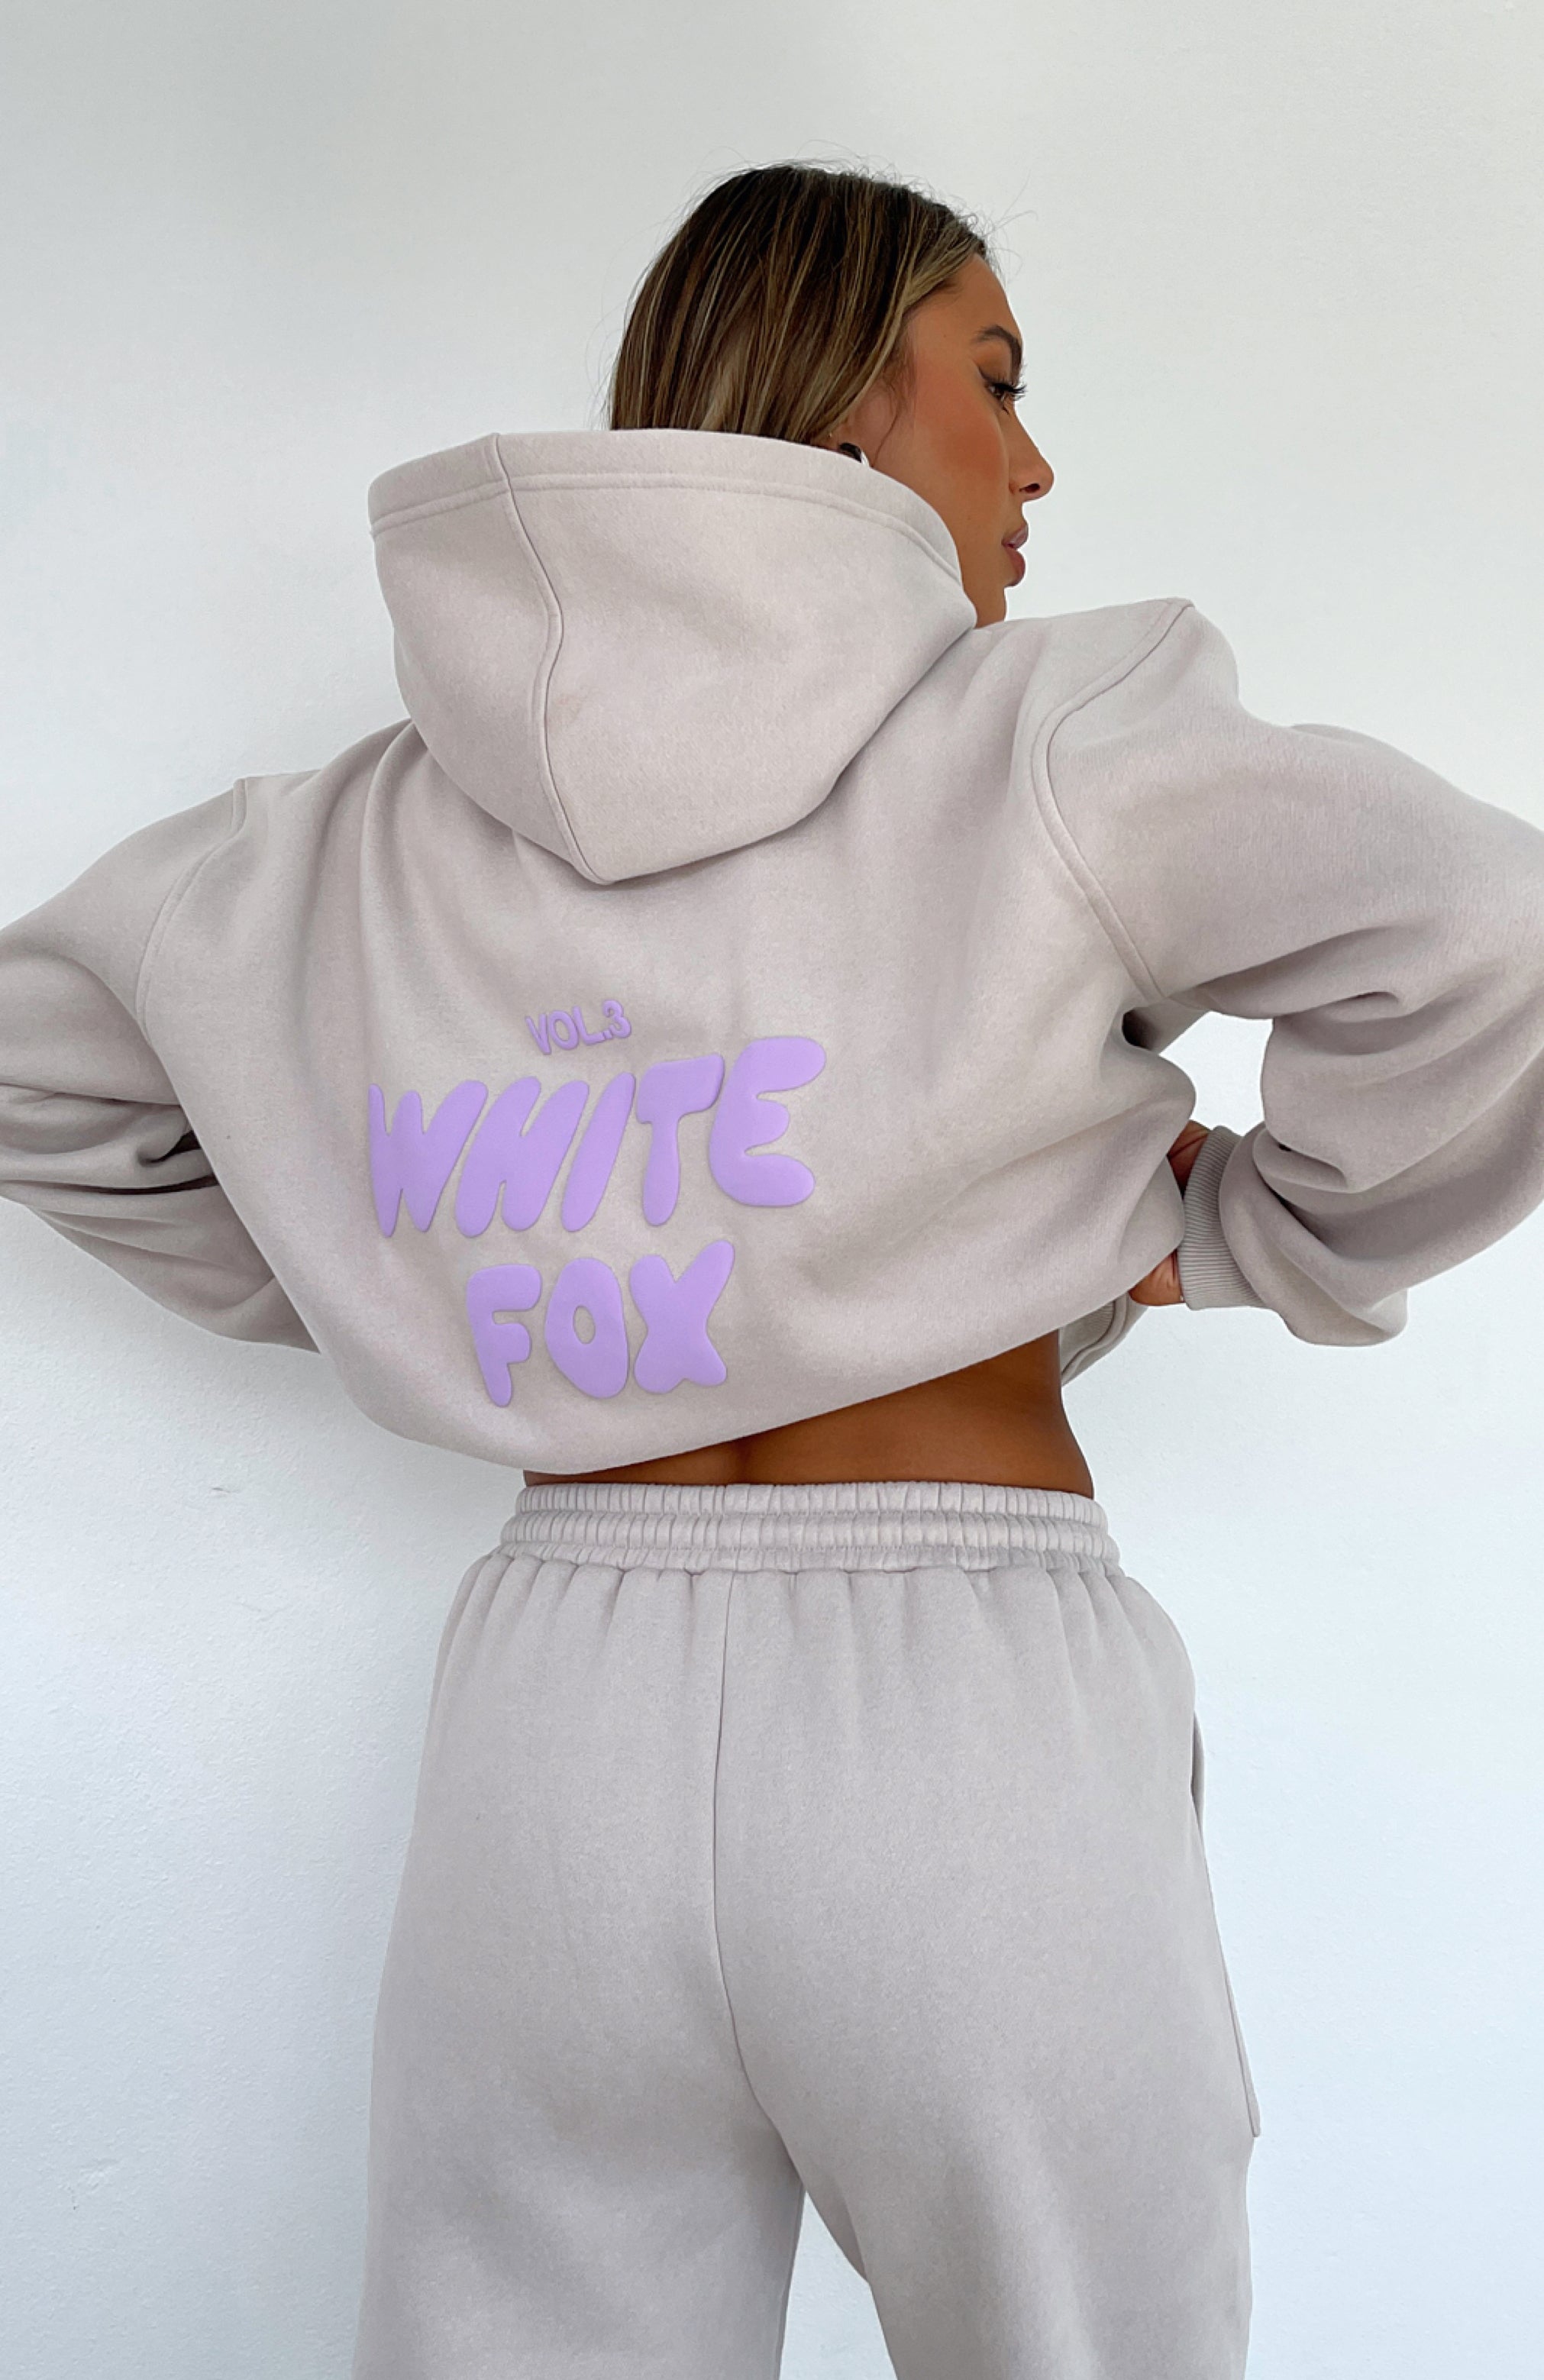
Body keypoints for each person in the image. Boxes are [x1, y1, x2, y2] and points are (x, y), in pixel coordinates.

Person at [3, 159, 1542, 2379]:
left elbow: (36, 1073)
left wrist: (397, 1252)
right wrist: (1252, 1227)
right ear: (844, 404)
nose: (1033, 464)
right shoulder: (1045, 743)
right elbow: (1495, 939)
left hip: (551, 1737)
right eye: (995, 380)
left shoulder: (354, 834)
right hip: (962, 1720)